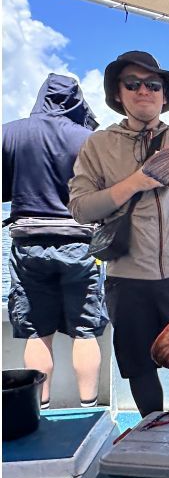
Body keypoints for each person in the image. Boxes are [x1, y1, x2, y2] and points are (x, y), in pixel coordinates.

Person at [68, 51, 169, 418]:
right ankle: (152, 429)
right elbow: (81, 209)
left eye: (153, 84)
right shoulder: (97, 145)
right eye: (132, 84)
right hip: (126, 279)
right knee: (138, 365)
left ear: (165, 95)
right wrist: (133, 183)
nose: (143, 90)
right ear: (118, 94)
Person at [3, 73, 108, 409]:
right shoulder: (89, 139)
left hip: (28, 244)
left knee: (36, 332)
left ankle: (41, 411)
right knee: (85, 331)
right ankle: (90, 410)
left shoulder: (11, 132)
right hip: (80, 244)